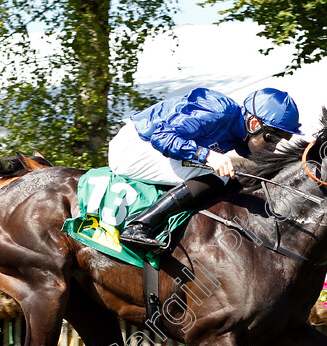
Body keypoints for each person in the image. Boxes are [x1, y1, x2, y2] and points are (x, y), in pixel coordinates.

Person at [108, 87, 302, 250]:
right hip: (132, 148)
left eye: (281, 139)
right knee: (219, 176)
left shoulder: (239, 129)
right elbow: (162, 136)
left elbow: (258, 161)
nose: (273, 145)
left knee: (230, 176)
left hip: (149, 148)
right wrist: (208, 156)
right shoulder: (217, 111)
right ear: (253, 123)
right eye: (272, 137)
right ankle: (139, 226)